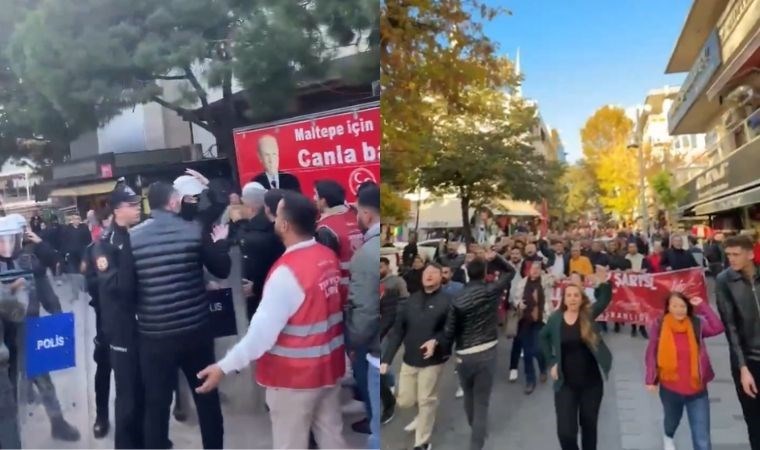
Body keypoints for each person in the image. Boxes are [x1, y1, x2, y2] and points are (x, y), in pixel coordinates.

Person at [195, 192, 347, 450]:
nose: (273, 219)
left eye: (277, 214)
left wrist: (224, 367)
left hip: (293, 380)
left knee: (290, 444)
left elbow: (260, 337)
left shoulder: (287, 272)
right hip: (329, 369)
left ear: (285, 225)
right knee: (332, 438)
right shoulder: (326, 257)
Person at [130, 182, 231, 449]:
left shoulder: (133, 238)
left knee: (157, 404)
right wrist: (220, 243)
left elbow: (128, 289)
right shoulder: (194, 230)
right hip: (196, 332)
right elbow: (221, 269)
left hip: (154, 337)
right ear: (174, 202)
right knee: (207, 399)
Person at [90, 184, 145, 448]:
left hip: (143, 325)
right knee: (127, 396)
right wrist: (128, 258)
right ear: (118, 209)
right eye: (132, 205)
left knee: (143, 389)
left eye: (138, 204)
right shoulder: (106, 245)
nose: (137, 209)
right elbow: (116, 288)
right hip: (120, 328)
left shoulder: (136, 235)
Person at [440, 256, 515, 450]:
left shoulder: (457, 298)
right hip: (487, 350)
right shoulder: (491, 290)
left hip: (464, 353)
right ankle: (477, 442)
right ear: (484, 273)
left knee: (468, 395)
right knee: (481, 401)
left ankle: (476, 429)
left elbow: (449, 330)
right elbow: (511, 272)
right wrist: (497, 258)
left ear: (467, 273)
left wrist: (445, 353)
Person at [539, 267, 613, 450]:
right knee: (565, 432)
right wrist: (552, 362)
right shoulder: (556, 319)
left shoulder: (587, 315)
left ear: (582, 299)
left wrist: (603, 282)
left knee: (589, 427)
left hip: (591, 384)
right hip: (565, 384)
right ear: (564, 299)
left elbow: (604, 299)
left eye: (576, 295)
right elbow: (543, 337)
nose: (572, 298)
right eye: (569, 295)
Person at [382, 264, 452, 450]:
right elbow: (398, 332)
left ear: (441, 278)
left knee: (426, 400)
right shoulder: (410, 301)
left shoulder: (447, 301)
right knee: (405, 400)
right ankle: (421, 416)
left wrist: (435, 341)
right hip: (409, 359)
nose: (428, 275)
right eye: (426, 272)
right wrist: (387, 360)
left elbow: (450, 330)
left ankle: (422, 441)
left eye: (434, 272)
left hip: (433, 361)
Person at [644, 291, 724, 450]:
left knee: (702, 438)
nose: (679, 310)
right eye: (674, 306)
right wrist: (650, 379)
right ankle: (668, 435)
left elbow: (718, 328)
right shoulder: (660, 325)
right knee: (671, 420)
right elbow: (651, 352)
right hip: (671, 388)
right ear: (668, 307)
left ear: (688, 307)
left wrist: (702, 306)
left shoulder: (696, 324)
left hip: (697, 390)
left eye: (682, 306)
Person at [715, 234, 760, 449]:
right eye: (728, 255)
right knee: (755, 421)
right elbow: (730, 328)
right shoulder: (725, 281)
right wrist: (743, 368)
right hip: (748, 362)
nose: (731, 259)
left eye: (736, 254)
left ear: (750, 254)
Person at [346, 183, 382, 449]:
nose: (355, 216)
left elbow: (365, 311)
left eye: (358, 211)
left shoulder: (365, 254)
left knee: (374, 414)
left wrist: (354, 343)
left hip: (370, 347)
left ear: (368, 215)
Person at [236, 183, 285, 320]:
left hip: (262, 301)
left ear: (249, 205)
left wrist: (256, 286)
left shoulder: (256, 235)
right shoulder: (269, 227)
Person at [511, 261, 553, 394]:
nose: (534, 271)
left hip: (541, 320)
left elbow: (555, 280)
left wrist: (552, 276)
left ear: (541, 270)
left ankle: (542, 367)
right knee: (527, 353)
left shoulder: (545, 280)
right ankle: (530, 380)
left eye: (537, 269)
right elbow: (515, 299)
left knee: (538, 349)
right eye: (532, 269)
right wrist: (519, 304)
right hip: (525, 321)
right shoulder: (522, 283)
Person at [380, 257, 408, 425]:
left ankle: (389, 386)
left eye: (381, 266)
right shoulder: (376, 283)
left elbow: (404, 302)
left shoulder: (396, 282)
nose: (378, 270)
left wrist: (396, 327)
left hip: (389, 329)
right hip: (379, 327)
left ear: (387, 266)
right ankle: (388, 383)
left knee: (383, 359)